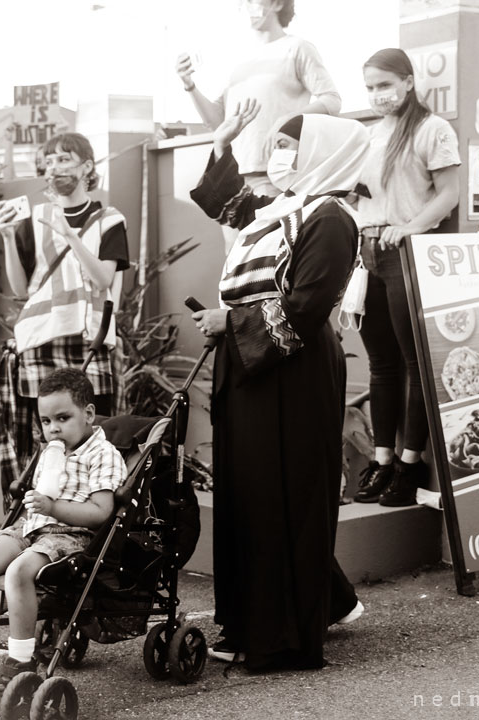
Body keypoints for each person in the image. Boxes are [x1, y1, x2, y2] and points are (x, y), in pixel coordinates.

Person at [189, 101, 368, 671]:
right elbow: (226, 202)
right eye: (279, 145)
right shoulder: (284, 209)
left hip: (294, 375)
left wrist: (228, 321)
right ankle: (269, 616)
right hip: (251, 366)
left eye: (292, 145)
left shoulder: (332, 219)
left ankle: (282, 638)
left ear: (322, 151)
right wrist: (222, 144)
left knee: (283, 496)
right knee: (251, 495)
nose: (280, 155)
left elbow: (306, 308)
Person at [0, 368, 127, 720]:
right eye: (46, 421)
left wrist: (53, 507)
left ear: (88, 414)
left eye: (63, 418)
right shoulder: (49, 451)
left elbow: (101, 512)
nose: (54, 428)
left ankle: (18, 663)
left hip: (69, 535)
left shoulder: (102, 454)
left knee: (17, 573)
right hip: (32, 527)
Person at [352, 48, 461, 507]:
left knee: (415, 363)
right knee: (381, 364)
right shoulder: (368, 136)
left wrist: (409, 228)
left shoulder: (432, 129)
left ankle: (410, 464)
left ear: (408, 81)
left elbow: (450, 194)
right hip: (367, 254)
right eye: (371, 87)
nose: (379, 95)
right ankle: (382, 459)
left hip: (407, 252)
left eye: (385, 85)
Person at [176, 0, 341, 252]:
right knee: (236, 262)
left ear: (276, 3)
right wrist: (189, 85)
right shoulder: (237, 61)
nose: (247, 6)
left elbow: (331, 99)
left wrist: (287, 119)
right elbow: (216, 121)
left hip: (278, 174)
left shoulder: (297, 48)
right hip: (235, 176)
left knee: (271, 256)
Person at [0, 132, 130, 418]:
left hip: (90, 340)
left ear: (87, 167)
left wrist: (72, 237)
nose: (54, 167)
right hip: (40, 339)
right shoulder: (36, 218)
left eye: (64, 159)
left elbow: (104, 280)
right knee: (46, 438)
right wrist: (7, 238)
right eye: (49, 161)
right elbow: (20, 289)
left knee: (93, 432)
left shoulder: (110, 220)